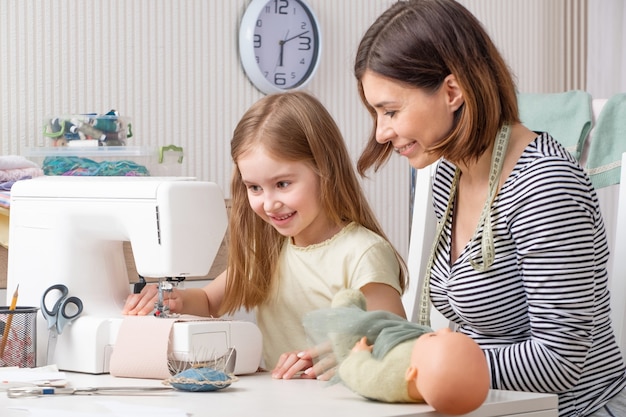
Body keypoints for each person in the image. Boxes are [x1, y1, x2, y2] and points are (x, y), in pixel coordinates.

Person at [353, 1, 626, 416]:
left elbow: (559, 362)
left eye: (390, 111)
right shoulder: (451, 175)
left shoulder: (546, 187)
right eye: (376, 113)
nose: (382, 132)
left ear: (452, 91)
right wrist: (359, 350)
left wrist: (422, 361)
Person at [122, 91, 407, 379]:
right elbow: (210, 303)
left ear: (325, 169)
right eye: (255, 188)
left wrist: (343, 356)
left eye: (282, 184)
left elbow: (396, 345)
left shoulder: (362, 254)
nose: (268, 203)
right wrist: (175, 299)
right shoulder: (269, 248)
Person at [303, 289, 490, 415]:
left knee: (346, 334)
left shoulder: (389, 380)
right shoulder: (431, 376)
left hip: (361, 354)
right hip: (395, 340)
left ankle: (344, 306)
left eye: (435, 337)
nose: (444, 330)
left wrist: (359, 355)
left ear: (411, 372)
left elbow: (362, 374)